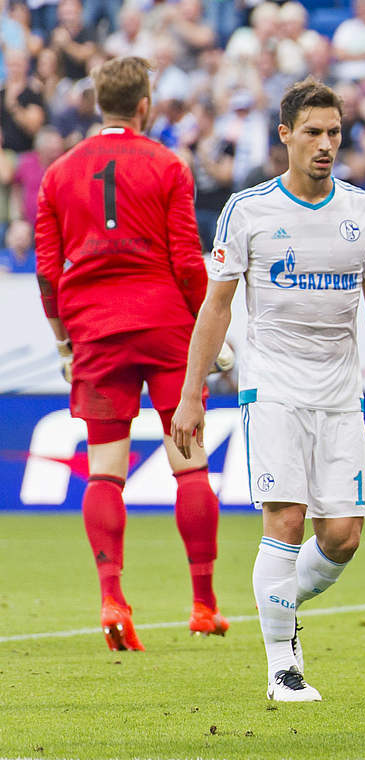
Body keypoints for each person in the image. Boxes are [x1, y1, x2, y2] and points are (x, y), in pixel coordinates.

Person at [170, 79, 365, 702]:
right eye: (313, 132)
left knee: (343, 536)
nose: (326, 144)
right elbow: (217, 307)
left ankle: (277, 600)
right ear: (284, 135)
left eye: (334, 133)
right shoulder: (249, 210)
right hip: (272, 386)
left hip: (340, 392)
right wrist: (193, 393)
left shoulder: (363, 211)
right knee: (285, 518)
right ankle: (284, 666)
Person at [34, 57, 227, 651]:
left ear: (99, 105)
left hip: (95, 330)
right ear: (144, 105)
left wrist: (65, 336)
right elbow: (187, 259)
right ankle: (202, 604)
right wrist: (206, 333)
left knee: (105, 472)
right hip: (166, 324)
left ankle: (112, 596)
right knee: (189, 466)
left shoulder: (58, 174)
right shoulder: (169, 164)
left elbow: (47, 271)